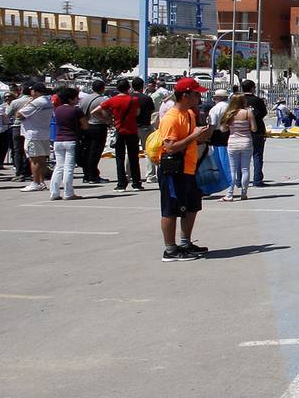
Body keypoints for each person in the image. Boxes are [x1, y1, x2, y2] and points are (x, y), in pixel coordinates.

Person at [155, 77, 210, 261]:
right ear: (185, 95)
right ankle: (170, 249)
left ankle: (185, 243)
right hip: (173, 170)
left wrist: (203, 135)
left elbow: (192, 139)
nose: (199, 97)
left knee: (192, 206)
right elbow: (170, 147)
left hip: (188, 168)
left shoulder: (189, 114)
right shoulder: (171, 118)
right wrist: (194, 135)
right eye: (196, 94)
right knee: (170, 209)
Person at [100, 79, 144, 191]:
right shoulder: (134, 99)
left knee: (119, 158)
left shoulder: (113, 100)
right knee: (134, 157)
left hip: (119, 130)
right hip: (132, 130)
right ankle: (136, 183)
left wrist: (109, 119)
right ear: (128, 88)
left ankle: (121, 183)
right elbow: (138, 113)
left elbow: (100, 108)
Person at [16, 81, 53, 193]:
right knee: (41, 159)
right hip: (44, 133)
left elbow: (19, 115)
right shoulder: (48, 101)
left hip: (33, 134)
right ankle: (41, 182)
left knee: (34, 159)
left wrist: (27, 104)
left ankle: (35, 182)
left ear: (35, 91)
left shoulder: (36, 102)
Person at [49, 85, 84, 200]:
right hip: (71, 139)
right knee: (69, 167)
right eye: (76, 98)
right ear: (70, 99)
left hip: (58, 139)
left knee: (59, 167)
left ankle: (54, 192)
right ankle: (68, 192)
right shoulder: (76, 110)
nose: (77, 99)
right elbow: (85, 124)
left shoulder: (57, 110)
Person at [219, 96, 255, 201]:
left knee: (232, 169)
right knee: (245, 169)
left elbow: (223, 129)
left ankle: (229, 194)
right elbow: (254, 128)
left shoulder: (230, 114)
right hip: (246, 142)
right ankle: (244, 193)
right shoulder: (248, 113)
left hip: (233, 142)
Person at [77, 79, 110, 184]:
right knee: (95, 152)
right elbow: (105, 114)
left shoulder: (84, 99)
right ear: (103, 88)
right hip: (98, 126)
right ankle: (93, 175)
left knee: (87, 151)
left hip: (86, 126)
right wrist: (108, 120)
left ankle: (87, 174)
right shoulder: (102, 100)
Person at [240, 80, 269, 187]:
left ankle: (239, 180)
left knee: (240, 157)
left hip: (242, 130)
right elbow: (263, 113)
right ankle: (257, 180)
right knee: (257, 155)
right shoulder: (257, 100)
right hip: (257, 131)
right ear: (252, 88)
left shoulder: (239, 100)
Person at [6, 86, 32, 180]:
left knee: (18, 151)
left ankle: (19, 172)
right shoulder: (34, 102)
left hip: (17, 126)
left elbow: (7, 114)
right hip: (30, 127)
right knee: (29, 150)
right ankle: (28, 172)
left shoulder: (15, 102)